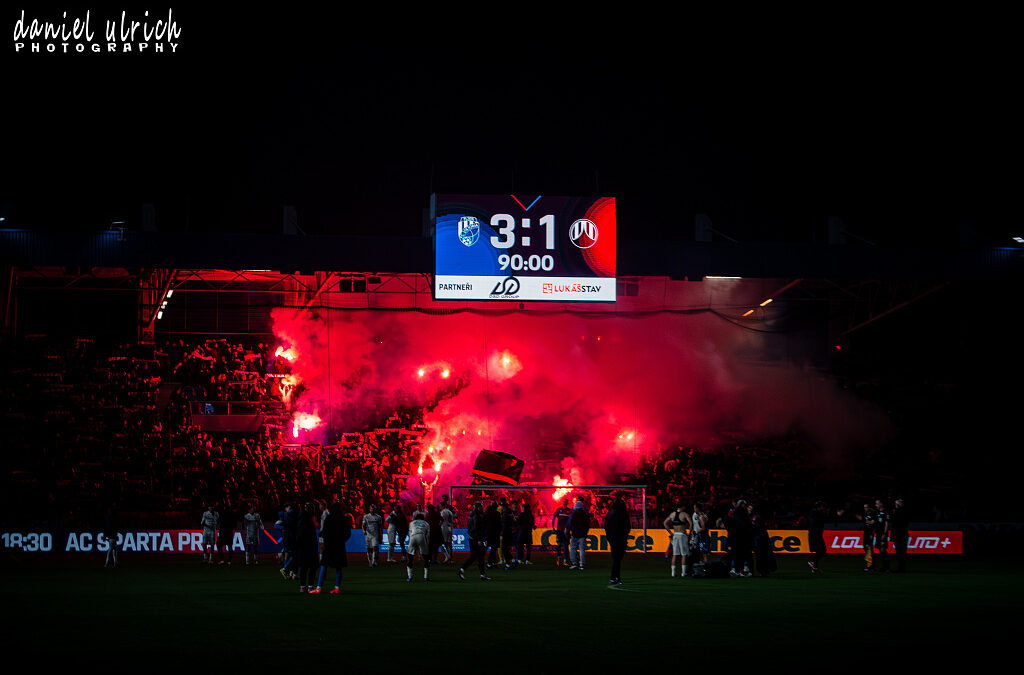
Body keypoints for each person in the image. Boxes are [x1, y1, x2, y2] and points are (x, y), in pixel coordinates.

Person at [312, 502, 351, 594]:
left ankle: (318, 587)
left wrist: (327, 540)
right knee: (339, 567)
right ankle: (337, 588)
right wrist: (342, 540)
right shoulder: (344, 519)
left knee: (324, 566)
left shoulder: (329, 518)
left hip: (329, 546)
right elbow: (348, 533)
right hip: (340, 546)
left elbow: (324, 532)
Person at [458, 501, 491, 581]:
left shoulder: (471, 515)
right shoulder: (477, 516)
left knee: (474, 556)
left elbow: (471, 528)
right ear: (478, 507)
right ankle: (482, 574)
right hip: (477, 539)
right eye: (481, 507)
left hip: (472, 538)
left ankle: (462, 570)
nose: (483, 508)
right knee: (480, 556)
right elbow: (477, 528)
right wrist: (480, 539)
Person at [663, 499, 693, 578]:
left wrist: (670, 533)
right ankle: (683, 573)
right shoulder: (684, 514)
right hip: (682, 535)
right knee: (684, 554)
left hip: (675, 535)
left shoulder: (672, 514)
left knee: (675, 554)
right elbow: (691, 523)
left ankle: (673, 573)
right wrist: (689, 533)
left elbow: (665, 523)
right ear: (682, 506)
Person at [604, 497, 629, 585]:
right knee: (617, 559)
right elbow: (627, 527)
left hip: (613, 539)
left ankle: (615, 577)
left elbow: (606, 527)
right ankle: (614, 577)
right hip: (620, 539)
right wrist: (625, 537)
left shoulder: (609, 514)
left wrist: (609, 538)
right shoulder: (623, 514)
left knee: (616, 558)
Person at [294, 502, 319, 593]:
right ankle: (309, 586)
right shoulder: (306, 520)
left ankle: (303, 586)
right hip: (308, 548)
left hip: (303, 548)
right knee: (312, 567)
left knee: (304, 568)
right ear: (309, 509)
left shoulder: (302, 518)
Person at [565, 499, 591, 570]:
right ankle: (581, 564)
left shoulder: (573, 515)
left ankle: (574, 563)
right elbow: (588, 524)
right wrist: (586, 532)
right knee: (582, 549)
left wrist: (567, 532)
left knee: (573, 548)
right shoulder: (585, 515)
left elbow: (570, 524)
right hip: (582, 534)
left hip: (575, 534)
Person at [406, 512, 431, 582]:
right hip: (421, 536)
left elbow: (410, 532)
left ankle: (410, 577)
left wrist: (411, 544)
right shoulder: (426, 523)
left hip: (413, 537)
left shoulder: (411, 523)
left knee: (410, 557)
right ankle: (426, 577)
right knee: (426, 558)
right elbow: (428, 535)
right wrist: (426, 545)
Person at [807, 500, 828, 573]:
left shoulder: (813, 512)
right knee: (822, 550)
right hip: (816, 535)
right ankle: (813, 562)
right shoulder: (816, 513)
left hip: (815, 534)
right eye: (822, 506)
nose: (823, 508)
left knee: (820, 551)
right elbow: (823, 519)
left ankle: (814, 567)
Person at [361, 503, 383, 567]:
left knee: (375, 548)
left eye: (373, 509)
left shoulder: (378, 517)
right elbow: (363, 525)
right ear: (369, 509)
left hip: (375, 534)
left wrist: (381, 535)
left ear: (375, 509)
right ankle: (370, 561)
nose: (372, 510)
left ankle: (374, 561)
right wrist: (364, 531)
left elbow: (380, 527)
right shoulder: (366, 516)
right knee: (369, 549)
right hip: (368, 534)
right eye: (371, 509)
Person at [551, 498, 572, 567]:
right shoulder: (558, 510)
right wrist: (553, 527)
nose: (565, 503)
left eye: (566, 502)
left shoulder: (569, 511)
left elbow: (571, 521)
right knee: (559, 545)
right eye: (564, 502)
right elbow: (554, 518)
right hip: (559, 531)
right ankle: (558, 559)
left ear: (567, 503)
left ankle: (565, 561)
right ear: (562, 503)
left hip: (566, 531)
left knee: (566, 546)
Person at [890, 498, 909, 572]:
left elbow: (898, 523)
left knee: (901, 552)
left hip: (901, 535)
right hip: (898, 535)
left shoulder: (902, 512)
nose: (895, 505)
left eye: (897, 504)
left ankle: (901, 568)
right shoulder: (896, 512)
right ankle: (900, 567)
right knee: (899, 552)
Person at [874, 499, 890, 572]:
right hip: (878, 534)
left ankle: (887, 567)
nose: (876, 505)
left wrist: (884, 534)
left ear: (881, 504)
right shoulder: (877, 512)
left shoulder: (885, 512)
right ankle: (884, 567)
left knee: (883, 549)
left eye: (877, 503)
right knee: (880, 550)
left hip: (882, 534)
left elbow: (887, 524)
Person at [861, 502, 877, 572]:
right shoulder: (865, 514)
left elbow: (873, 523)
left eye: (866, 507)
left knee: (870, 550)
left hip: (870, 534)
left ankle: (872, 566)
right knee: (866, 548)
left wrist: (872, 534)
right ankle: (868, 566)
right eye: (864, 507)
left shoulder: (873, 514)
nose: (865, 509)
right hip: (865, 533)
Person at [485, 501, 501, 568]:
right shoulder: (497, 514)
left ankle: (492, 563)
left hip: (488, 533)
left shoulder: (486, 513)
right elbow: (499, 524)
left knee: (492, 548)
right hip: (495, 533)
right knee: (494, 548)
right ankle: (490, 562)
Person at [103, 503, 120, 568]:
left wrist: (105, 535)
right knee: (111, 547)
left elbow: (105, 526)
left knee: (114, 548)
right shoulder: (113, 516)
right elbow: (114, 525)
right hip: (112, 533)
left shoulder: (108, 516)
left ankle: (115, 562)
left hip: (111, 533)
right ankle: (107, 562)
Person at [439, 499, 456, 564]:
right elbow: (452, 521)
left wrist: (438, 525)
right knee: (448, 543)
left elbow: (442, 520)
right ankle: (450, 558)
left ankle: (447, 556)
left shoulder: (443, 512)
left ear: (443, 506)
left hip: (444, 528)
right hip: (449, 527)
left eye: (440, 506)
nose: (439, 507)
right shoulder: (450, 511)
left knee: (442, 543)